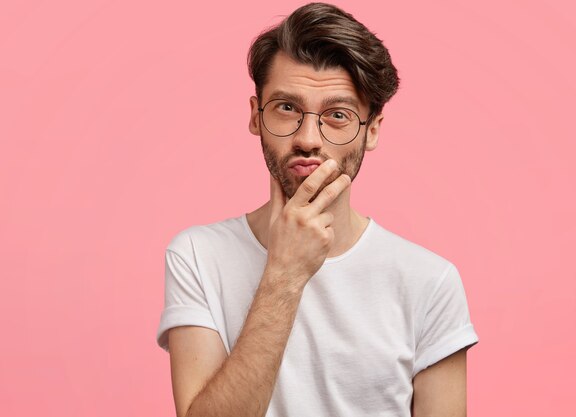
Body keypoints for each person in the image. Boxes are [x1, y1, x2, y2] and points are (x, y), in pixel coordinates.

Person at [156, 3, 479, 416]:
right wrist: (284, 274)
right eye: (287, 108)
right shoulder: (198, 257)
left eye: (337, 115)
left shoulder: (429, 283)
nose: (309, 138)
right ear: (256, 116)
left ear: (373, 129)